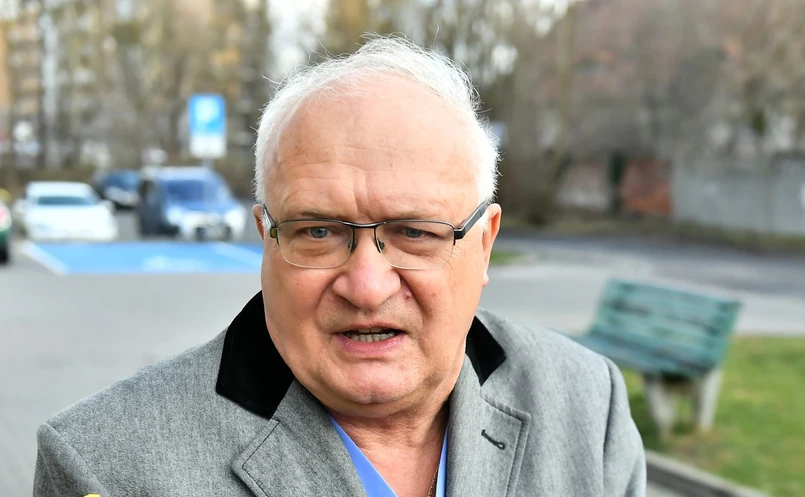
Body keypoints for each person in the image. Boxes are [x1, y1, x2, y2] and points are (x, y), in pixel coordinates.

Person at [34, 36, 646, 497]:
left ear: (484, 244)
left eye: (415, 232)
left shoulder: (587, 405)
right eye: (319, 232)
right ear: (266, 240)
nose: (367, 287)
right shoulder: (106, 465)